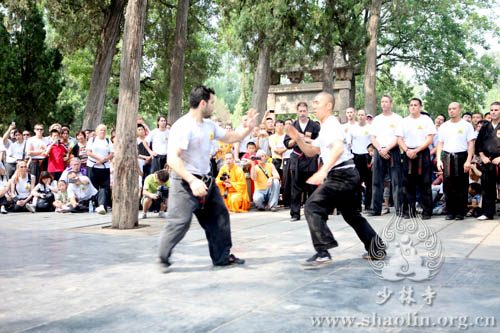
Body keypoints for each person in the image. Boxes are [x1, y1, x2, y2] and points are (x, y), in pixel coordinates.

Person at [157, 85, 257, 271]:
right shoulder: (183, 126)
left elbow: (230, 137)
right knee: (180, 222)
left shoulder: (209, 125)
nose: (213, 106)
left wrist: (246, 128)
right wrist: (192, 181)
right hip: (185, 182)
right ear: (202, 103)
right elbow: (172, 159)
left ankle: (222, 257)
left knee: (220, 216)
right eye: (211, 103)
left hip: (206, 181)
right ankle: (162, 256)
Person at [285, 92, 386, 266]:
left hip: (341, 175)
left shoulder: (331, 124)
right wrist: (298, 139)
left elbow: (338, 148)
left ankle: (323, 251)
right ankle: (376, 248)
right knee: (351, 214)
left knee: (312, 206)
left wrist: (323, 170)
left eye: (317, 102)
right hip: (346, 174)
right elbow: (311, 151)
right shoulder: (326, 126)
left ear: (329, 106)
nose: (314, 106)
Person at [396, 98, 436, 219]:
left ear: (420, 107)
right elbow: (399, 139)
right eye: (411, 105)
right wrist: (407, 150)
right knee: (407, 184)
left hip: (422, 153)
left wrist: (417, 150)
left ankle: (426, 211)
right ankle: (409, 211)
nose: (413, 107)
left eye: (415, 105)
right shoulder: (404, 121)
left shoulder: (426, 120)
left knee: (425, 183)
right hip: (408, 153)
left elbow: (430, 138)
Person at [436, 102, 475, 220]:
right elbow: (440, 144)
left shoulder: (466, 125)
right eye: (449, 109)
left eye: (454, 108)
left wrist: (468, 160)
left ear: (459, 110)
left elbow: (471, 143)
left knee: (461, 185)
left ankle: (460, 212)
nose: (451, 111)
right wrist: (439, 159)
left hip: (462, 156)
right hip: (447, 157)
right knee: (448, 186)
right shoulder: (444, 126)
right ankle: (450, 211)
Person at [283, 101, 321, 221]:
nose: (302, 113)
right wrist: (296, 139)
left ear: (307, 111)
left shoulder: (315, 126)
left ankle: (314, 213)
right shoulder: (292, 126)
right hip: (297, 159)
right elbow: (287, 144)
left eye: (304, 111)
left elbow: (321, 142)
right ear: (297, 112)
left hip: (310, 158)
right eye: (300, 111)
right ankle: (295, 213)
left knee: (312, 188)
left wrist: (307, 140)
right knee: (296, 188)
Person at [370, 95, 403, 216]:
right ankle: (375, 209)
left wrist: (387, 149)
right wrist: (380, 149)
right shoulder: (377, 119)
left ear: (391, 103)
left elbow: (399, 137)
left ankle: (399, 210)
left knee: (396, 181)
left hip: (393, 151)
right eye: (382, 102)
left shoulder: (398, 118)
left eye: (386, 102)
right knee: (376, 181)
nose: (384, 104)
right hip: (379, 151)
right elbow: (373, 137)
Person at [474, 101, 500, 220]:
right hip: (487, 161)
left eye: (496, 110)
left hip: (499, 160)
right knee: (487, 187)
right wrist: (482, 156)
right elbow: (478, 143)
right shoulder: (485, 127)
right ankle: (488, 212)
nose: (493, 112)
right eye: (492, 110)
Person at [86, 124, 113, 214]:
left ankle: (103, 205)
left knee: (105, 187)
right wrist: (99, 159)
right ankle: (93, 204)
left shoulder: (108, 141)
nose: (102, 132)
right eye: (101, 130)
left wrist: (103, 160)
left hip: (104, 167)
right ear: (97, 131)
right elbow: (89, 152)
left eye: (104, 130)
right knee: (92, 185)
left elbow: (111, 154)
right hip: (93, 166)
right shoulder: (92, 140)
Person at [350, 109, 373, 212]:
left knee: (369, 183)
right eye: (359, 115)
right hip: (356, 156)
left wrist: (373, 157)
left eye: (362, 115)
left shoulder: (370, 128)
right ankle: (357, 206)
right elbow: (348, 143)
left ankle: (368, 205)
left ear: (365, 116)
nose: (360, 117)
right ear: (356, 116)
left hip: (367, 156)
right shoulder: (353, 128)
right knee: (356, 183)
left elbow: (373, 142)